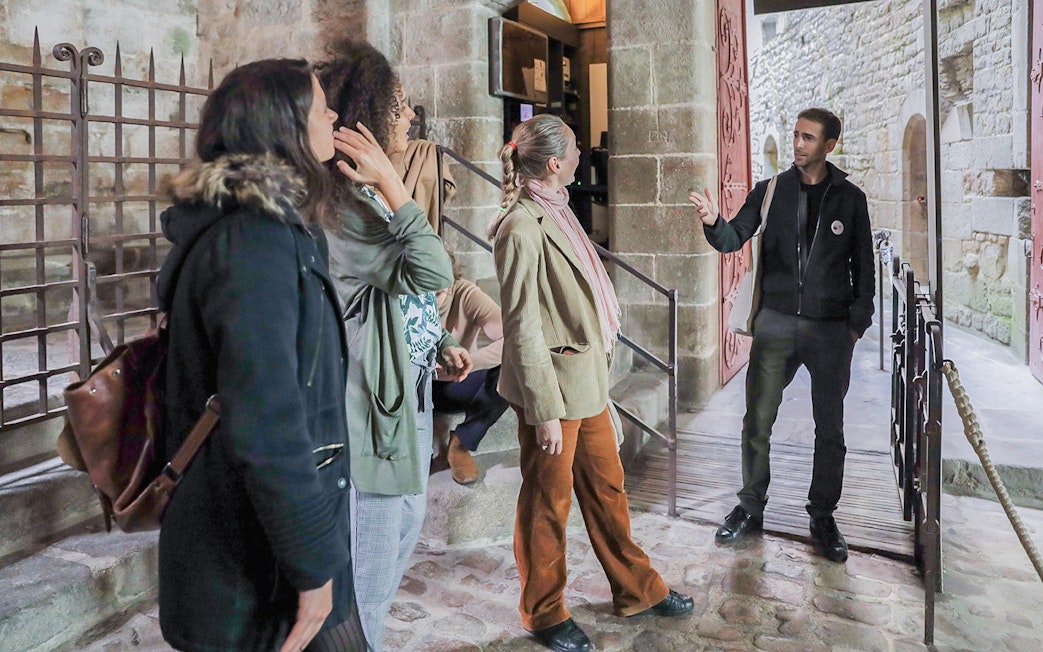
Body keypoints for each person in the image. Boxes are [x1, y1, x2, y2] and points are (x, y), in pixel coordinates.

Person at [156, 59, 365, 651]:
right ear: (284, 125)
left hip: (269, 549)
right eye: (320, 106)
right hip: (253, 564)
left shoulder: (266, 230)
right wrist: (315, 565)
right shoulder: (253, 241)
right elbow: (267, 423)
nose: (332, 115)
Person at [489, 114, 694, 652]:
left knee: (608, 489)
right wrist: (544, 411)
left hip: (587, 380)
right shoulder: (521, 226)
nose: (583, 152)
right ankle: (544, 612)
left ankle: (638, 589)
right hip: (552, 389)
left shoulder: (560, 211)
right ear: (555, 163)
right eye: (575, 148)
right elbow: (522, 326)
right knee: (546, 503)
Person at [316, 40, 472, 652]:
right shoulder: (347, 205)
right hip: (371, 423)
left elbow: (403, 294)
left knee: (396, 552)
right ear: (370, 116)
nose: (410, 117)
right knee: (366, 599)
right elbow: (432, 269)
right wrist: (390, 180)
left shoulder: (366, 199)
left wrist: (439, 341)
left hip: (403, 403)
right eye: (400, 106)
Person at [688, 107, 875, 563]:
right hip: (775, 324)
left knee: (829, 428)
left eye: (808, 138)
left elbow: (864, 267)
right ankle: (750, 508)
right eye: (795, 136)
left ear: (830, 145)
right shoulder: (770, 191)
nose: (797, 144)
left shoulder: (850, 198)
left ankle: (822, 516)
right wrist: (714, 220)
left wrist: (856, 324)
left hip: (830, 330)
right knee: (757, 420)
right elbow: (734, 238)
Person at [431, 263, 509, 485]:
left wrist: (466, 363)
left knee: (511, 370)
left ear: (450, 282)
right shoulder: (402, 295)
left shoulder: (464, 293)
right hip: (412, 385)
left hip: (456, 383)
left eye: (436, 293)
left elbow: (511, 337)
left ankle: (462, 442)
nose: (427, 300)